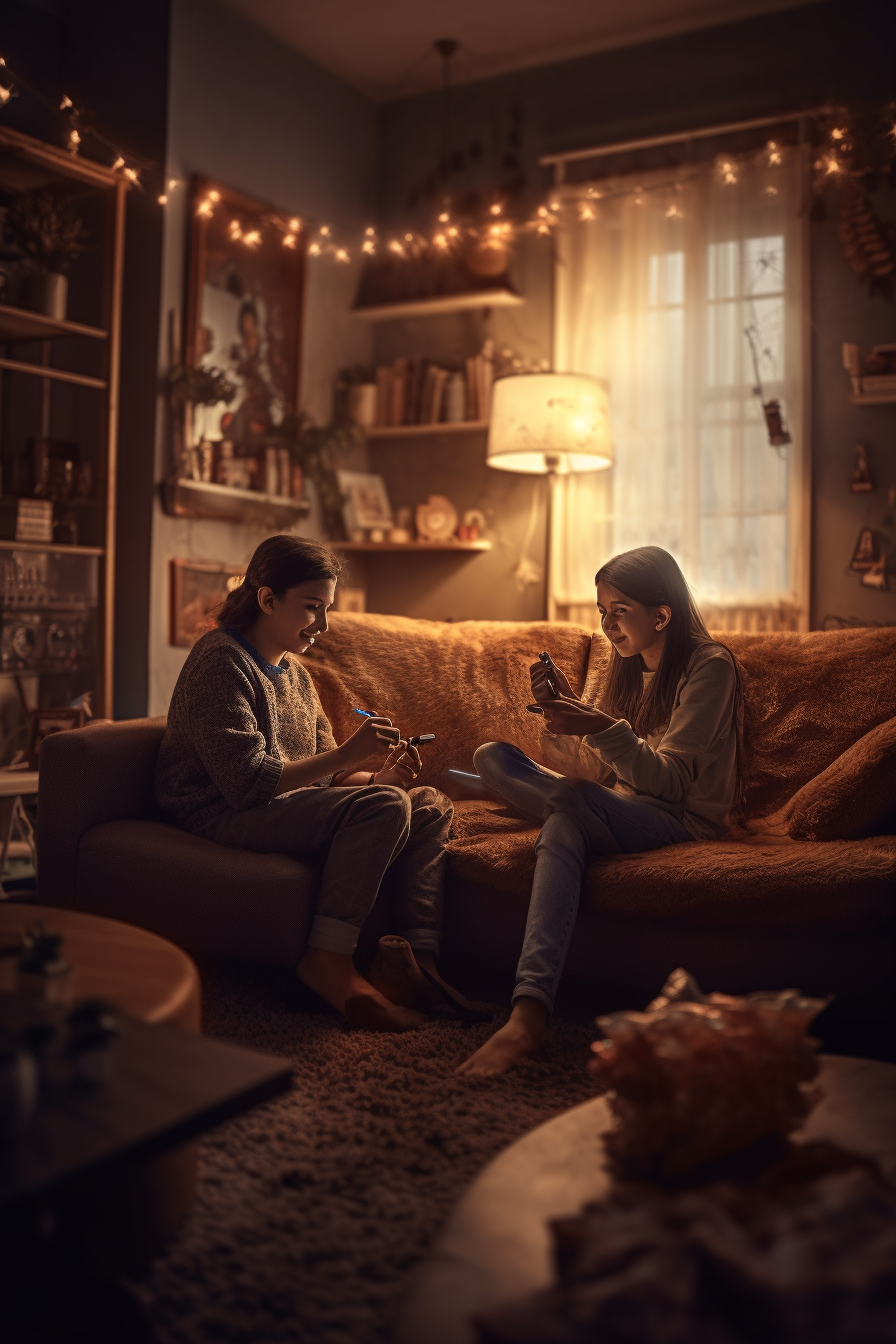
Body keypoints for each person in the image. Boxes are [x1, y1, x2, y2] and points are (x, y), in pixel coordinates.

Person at [156, 534, 475, 1033]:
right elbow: (246, 784)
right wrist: (354, 760)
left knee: (429, 802)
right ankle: (326, 960)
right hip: (220, 810)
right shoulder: (220, 662)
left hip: (282, 800)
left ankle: (416, 962)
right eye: (312, 608)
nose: (323, 625)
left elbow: (328, 773)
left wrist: (378, 777)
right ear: (267, 599)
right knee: (387, 807)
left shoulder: (296, 674)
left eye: (327, 609)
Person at [458, 545, 743, 1076]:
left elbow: (671, 784)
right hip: (618, 807)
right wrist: (568, 715)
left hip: (678, 823)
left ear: (662, 615)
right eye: (602, 611)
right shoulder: (631, 665)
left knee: (569, 806)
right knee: (493, 759)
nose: (607, 625)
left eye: (619, 611)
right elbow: (604, 773)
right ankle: (530, 1014)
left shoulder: (710, 665)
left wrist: (599, 728)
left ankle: (527, 1015)